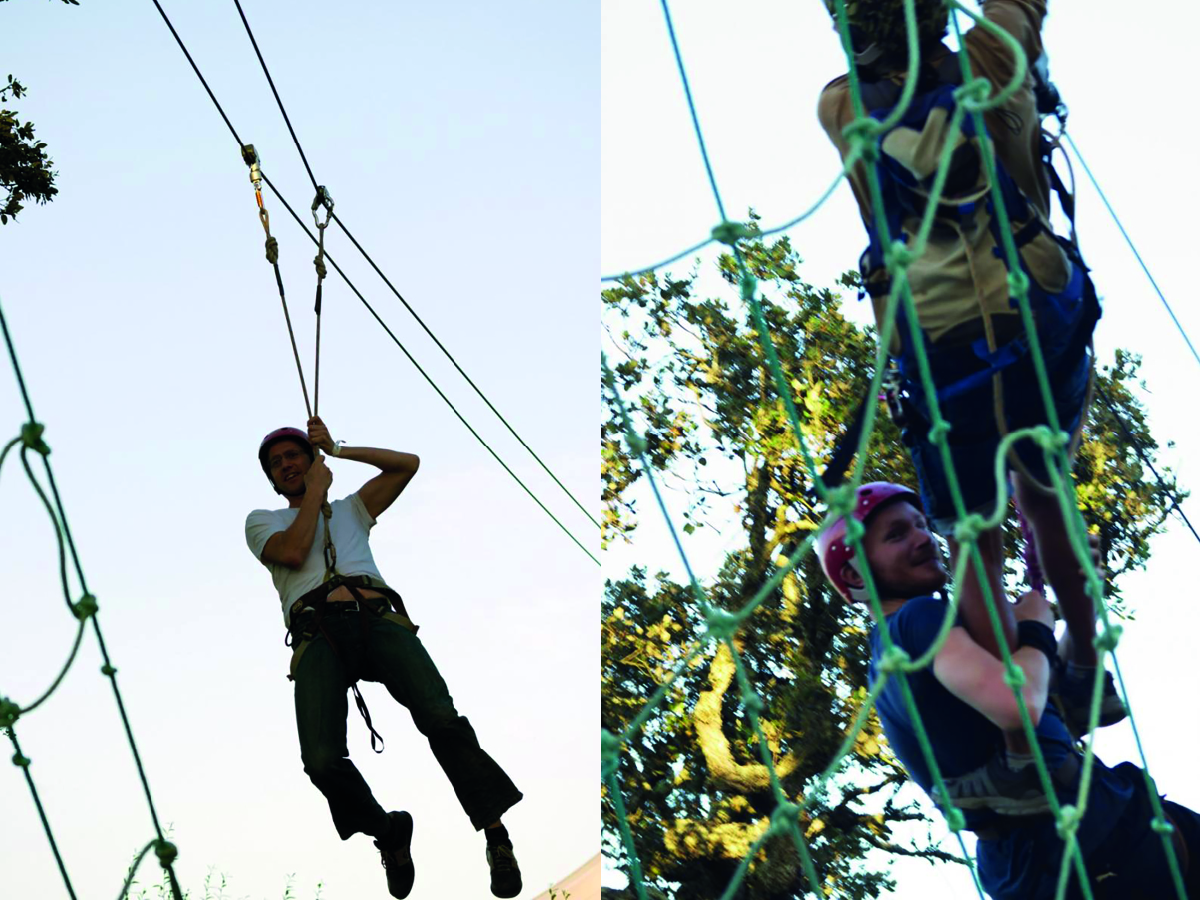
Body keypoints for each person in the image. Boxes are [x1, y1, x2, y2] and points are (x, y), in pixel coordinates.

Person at [816, 0, 1124, 738]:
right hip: (1031, 319)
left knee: (973, 534)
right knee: (1045, 497)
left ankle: (1011, 690)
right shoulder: (993, 61)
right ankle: (1082, 663)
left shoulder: (839, 106)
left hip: (936, 338)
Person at [816, 481, 1199, 900]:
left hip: (1034, 868)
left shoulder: (901, 653)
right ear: (855, 573)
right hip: (1095, 842)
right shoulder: (918, 621)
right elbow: (1020, 705)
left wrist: (1079, 599)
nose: (923, 538)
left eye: (922, 525)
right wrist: (1037, 627)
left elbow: (1052, 706)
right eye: (897, 534)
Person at [245, 417, 523, 899]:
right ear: (272, 479)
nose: (286, 464)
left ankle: (495, 835)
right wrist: (315, 490)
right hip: (317, 635)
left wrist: (337, 449)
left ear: (311, 461)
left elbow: (406, 466)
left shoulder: (352, 510)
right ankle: (388, 833)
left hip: (376, 618)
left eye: (294, 456)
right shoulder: (263, 521)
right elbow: (293, 553)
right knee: (322, 760)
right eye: (277, 463)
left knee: (440, 716)